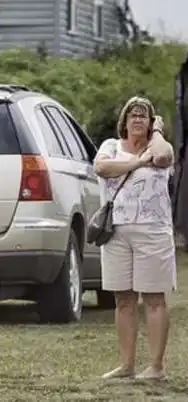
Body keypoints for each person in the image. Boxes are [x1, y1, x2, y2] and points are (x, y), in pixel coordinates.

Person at [94, 96, 176, 381]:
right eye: (133, 115)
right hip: (116, 231)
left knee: (154, 298)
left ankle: (156, 366)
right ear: (124, 122)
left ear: (151, 123)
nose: (138, 118)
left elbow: (164, 158)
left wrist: (157, 133)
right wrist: (139, 162)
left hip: (153, 230)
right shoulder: (110, 146)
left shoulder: (159, 147)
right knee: (124, 300)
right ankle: (126, 364)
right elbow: (102, 168)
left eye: (144, 115)